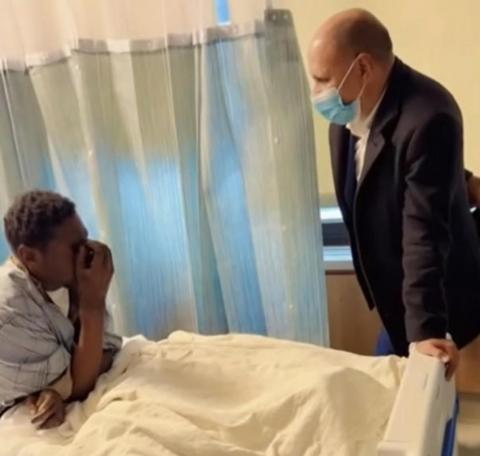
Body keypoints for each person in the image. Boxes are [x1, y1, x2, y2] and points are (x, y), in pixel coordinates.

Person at [308, 9, 480, 378]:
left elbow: (424, 235)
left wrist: (426, 332)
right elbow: (397, 169)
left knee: (419, 379)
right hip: (395, 288)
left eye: (322, 79)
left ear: (363, 68)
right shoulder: (347, 116)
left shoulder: (430, 115)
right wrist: (461, 180)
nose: (316, 93)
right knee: (394, 378)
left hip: (435, 292)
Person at [0, 190, 122, 428]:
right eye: (76, 247)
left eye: (85, 240)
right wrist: (92, 305)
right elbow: (79, 383)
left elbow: (105, 353)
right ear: (30, 256)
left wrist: (81, 295)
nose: (87, 252)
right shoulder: (10, 310)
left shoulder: (55, 280)